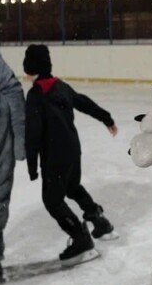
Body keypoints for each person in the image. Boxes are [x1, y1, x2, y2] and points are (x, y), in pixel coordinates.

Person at [22, 44, 118, 266]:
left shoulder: (36, 95)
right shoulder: (61, 87)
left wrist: (32, 166)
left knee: (52, 201)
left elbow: (33, 134)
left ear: (30, 68)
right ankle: (99, 222)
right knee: (72, 188)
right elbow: (83, 102)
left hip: (54, 157)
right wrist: (107, 118)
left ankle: (80, 238)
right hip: (73, 151)